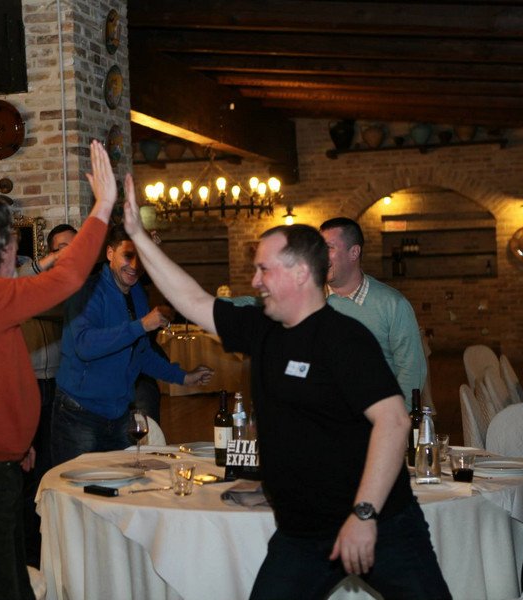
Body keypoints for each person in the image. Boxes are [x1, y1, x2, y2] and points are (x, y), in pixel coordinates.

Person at [119, 179, 450, 599]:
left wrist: (364, 514)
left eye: (264, 270)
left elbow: (394, 421)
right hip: (301, 532)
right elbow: (193, 300)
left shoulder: (345, 339)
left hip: (381, 523)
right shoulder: (263, 328)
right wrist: (137, 235)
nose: (255, 281)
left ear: (299, 273)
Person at [0, 140, 117, 600]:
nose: (16, 245)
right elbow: (68, 278)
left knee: (13, 588)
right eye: (12, 238)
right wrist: (103, 206)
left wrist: (15, 445)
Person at [51, 224, 213, 466]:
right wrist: (142, 325)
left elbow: (141, 353)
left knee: (125, 483)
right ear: (110, 253)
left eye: (141, 257)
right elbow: (85, 345)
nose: (135, 266)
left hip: (118, 415)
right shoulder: (88, 290)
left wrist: (184, 377)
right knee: (77, 485)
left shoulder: (136, 294)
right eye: (128, 255)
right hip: (80, 415)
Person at [16, 222, 76, 567]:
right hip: (29, 383)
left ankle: (54, 545)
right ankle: (32, 551)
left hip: (59, 381)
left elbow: (65, 311)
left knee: (54, 466)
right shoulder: (23, 279)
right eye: (59, 248)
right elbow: (13, 293)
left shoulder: (66, 284)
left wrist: (27, 304)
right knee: (29, 471)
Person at [320, 217, 426, 410]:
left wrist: (394, 418)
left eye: (328, 248)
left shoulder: (392, 304)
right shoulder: (309, 303)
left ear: (354, 252)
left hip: (376, 418)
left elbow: (411, 369)